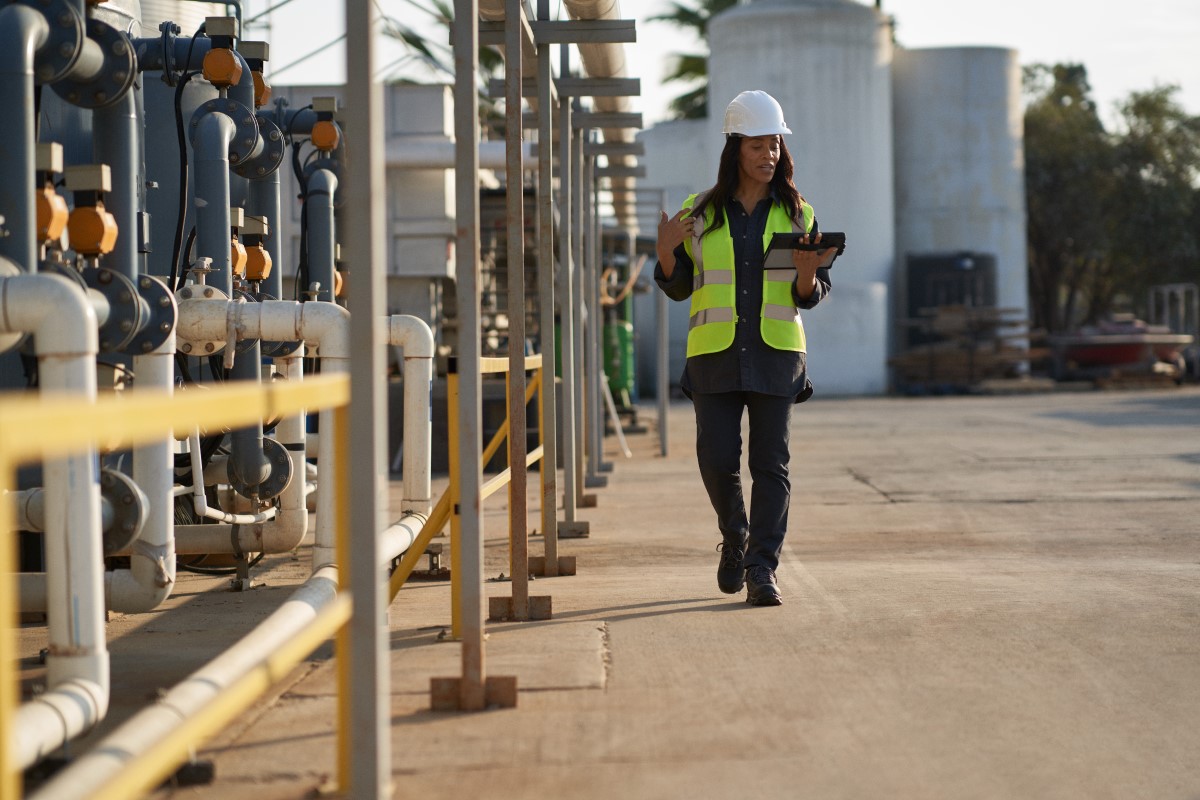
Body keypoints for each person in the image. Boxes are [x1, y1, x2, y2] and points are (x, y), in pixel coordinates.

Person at [654, 90, 835, 607]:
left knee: (771, 465)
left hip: (777, 354)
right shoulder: (699, 212)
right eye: (758, 144)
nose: (769, 155)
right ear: (735, 149)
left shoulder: (801, 215)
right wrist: (667, 254)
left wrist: (806, 279)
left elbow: (813, 292)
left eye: (775, 144)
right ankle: (734, 537)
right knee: (716, 460)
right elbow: (680, 285)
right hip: (714, 355)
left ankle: (762, 569)